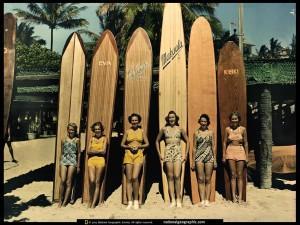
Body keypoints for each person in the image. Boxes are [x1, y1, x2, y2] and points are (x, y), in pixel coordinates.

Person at [155, 111, 189, 208]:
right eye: (170, 118)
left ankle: (178, 199)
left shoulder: (180, 129)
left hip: (177, 152)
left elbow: (187, 141)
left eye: (173, 117)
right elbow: (157, 141)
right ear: (167, 119)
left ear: (176, 118)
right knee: (170, 177)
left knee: (177, 176)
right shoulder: (164, 129)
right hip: (168, 152)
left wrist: (185, 154)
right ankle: (172, 200)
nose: (171, 119)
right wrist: (159, 154)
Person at [121, 113, 149, 210]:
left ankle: (136, 200)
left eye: (136, 120)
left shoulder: (141, 131)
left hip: (138, 155)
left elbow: (147, 144)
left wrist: (138, 147)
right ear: (130, 121)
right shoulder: (127, 131)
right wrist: (129, 147)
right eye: (132, 120)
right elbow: (122, 144)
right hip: (128, 155)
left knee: (135, 177)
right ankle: (129, 202)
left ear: (139, 121)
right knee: (128, 179)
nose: (134, 122)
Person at [191, 114, 217, 207]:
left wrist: (215, 159)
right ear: (199, 122)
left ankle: (207, 199)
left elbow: (213, 146)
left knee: (208, 179)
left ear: (207, 122)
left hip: (209, 156)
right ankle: (202, 200)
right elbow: (194, 148)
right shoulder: (196, 133)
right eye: (202, 121)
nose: (203, 123)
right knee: (201, 179)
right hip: (199, 157)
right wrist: (192, 161)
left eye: (205, 121)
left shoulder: (211, 132)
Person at [222, 111, 248, 203]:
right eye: (232, 119)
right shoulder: (227, 129)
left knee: (240, 174)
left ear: (238, 119)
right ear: (230, 120)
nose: (234, 120)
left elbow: (246, 142)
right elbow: (224, 142)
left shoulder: (243, 129)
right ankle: (233, 196)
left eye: (235, 118)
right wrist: (224, 155)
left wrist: (247, 156)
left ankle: (240, 197)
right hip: (230, 151)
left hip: (240, 151)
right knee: (233, 174)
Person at [59, 122, 80, 207]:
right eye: (70, 129)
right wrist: (60, 164)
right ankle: (60, 200)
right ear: (67, 130)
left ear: (75, 131)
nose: (71, 131)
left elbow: (79, 153)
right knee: (63, 180)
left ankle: (65, 202)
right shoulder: (63, 139)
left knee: (68, 181)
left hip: (72, 160)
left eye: (73, 130)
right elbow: (61, 152)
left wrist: (78, 165)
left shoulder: (77, 140)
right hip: (64, 160)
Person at [87, 121, 107, 208]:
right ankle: (90, 200)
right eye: (95, 129)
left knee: (97, 182)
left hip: (100, 161)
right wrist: (98, 152)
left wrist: (94, 151)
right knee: (91, 181)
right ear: (93, 130)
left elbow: (104, 151)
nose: (97, 131)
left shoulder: (104, 139)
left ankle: (94, 203)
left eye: (99, 129)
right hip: (91, 161)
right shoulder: (91, 138)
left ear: (101, 129)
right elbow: (88, 151)